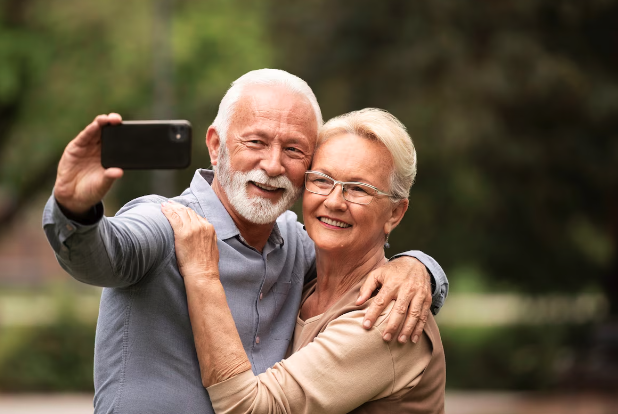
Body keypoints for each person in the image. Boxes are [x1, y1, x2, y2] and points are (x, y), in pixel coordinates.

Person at [42, 69, 448, 414]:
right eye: (255, 142)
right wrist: (75, 211)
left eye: (293, 150)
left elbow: (359, 260)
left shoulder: (301, 248)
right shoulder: (166, 224)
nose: (272, 165)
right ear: (216, 145)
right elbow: (101, 257)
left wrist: (418, 268)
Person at [162, 108, 445, 414]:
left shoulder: (386, 317)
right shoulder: (302, 283)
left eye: (359, 189)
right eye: (322, 180)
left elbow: (251, 409)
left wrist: (202, 275)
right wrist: (419, 264)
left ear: (395, 213)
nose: (334, 202)